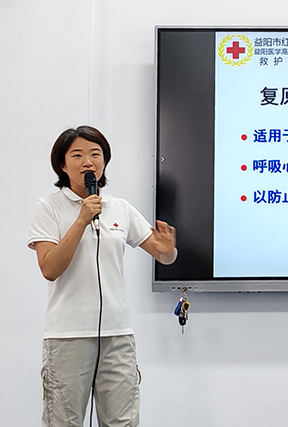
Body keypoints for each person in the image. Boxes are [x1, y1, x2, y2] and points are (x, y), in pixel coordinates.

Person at [27, 126, 177, 427]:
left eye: (95, 154)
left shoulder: (119, 208)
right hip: (68, 336)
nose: (88, 162)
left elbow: (164, 256)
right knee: (63, 421)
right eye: (77, 155)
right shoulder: (48, 207)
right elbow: (50, 269)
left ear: (104, 161)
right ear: (62, 164)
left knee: (123, 422)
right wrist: (82, 219)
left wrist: (168, 249)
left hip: (117, 335)